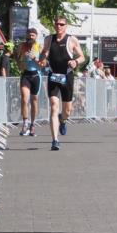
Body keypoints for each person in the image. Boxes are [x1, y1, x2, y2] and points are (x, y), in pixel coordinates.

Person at [39, 18, 84, 150]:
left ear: (66, 26)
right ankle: (55, 140)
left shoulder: (72, 40)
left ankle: (63, 120)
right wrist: (42, 58)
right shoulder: (49, 39)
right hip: (53, 76)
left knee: (67, 111)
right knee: (54, 106)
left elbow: (82, 56)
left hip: (67, 77)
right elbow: (44, 53)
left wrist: (75, 62)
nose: (58, 26)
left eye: (61, 24)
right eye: (57, 24)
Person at [16, 28, 42, 136]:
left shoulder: (39, 47)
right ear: (26, 36)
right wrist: (20, 64)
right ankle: (25, 123)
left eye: (33, 35)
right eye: (29, 35)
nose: (30, 37)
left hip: (36, 75)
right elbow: (16, 58)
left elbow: (43, 64)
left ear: (36, 36)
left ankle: (33, 124)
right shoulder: (22, 46)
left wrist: (35, 58)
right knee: (24, 99)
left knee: (34, 100)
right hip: (25, 75)